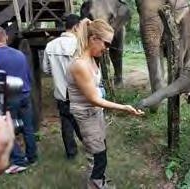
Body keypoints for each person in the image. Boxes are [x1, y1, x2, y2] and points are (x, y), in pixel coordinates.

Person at [68, 19, 144, 188]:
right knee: (97, 156)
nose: (106, 49)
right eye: (106, 44)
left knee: (99, 151)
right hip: (85, 115)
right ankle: (96, 184)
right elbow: (93, 99)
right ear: (94, 38)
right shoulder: (80, 64)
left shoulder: (92, 60)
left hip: (95, 113)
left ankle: (99, 180)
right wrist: (124, 108)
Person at [0, 26, 37, 174]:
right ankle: (32, 157)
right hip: (25, 94)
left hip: (9, 97)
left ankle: (19, 161)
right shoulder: (20, 54)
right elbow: (28, 75)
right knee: (28, 127)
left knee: (7, 128)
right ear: (5, 37)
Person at [43, 14, 84, 160]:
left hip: (61, 93)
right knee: (82, 120)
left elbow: (46, 70)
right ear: (75, 27)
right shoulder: (80, 44)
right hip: (78, 92)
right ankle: (89, 145)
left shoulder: (50, 45)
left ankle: (71, 153)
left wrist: (57, 72)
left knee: (66, 121)